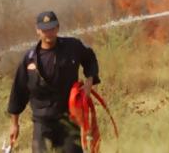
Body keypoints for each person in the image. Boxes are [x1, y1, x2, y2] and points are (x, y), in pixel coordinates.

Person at [7, 11, 100, 152]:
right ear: (38, 30)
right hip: (42, 123)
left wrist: (90, 79)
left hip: (68, 119)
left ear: (57, 28)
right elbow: (18, 92)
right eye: (45, 29)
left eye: (52, 28)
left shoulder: (72, 47)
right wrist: (14, 124)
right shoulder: (29, 59)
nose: (49, 32)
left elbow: (90, 58)